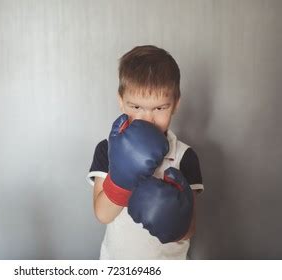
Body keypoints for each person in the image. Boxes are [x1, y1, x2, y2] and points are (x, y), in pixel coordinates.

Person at [86, 45, 204, 259]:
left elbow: (190, 229)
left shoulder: (185, 156)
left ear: (175, 104)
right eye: (136, 107)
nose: (147, 119)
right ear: (121, 101)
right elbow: (103, 214)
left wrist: (175, 221)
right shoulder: (107, 149)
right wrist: (122, 180)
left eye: (159, 108)